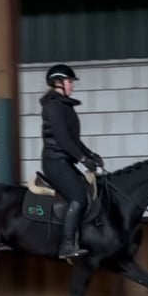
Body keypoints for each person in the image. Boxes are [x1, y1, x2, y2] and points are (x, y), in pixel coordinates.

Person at [39, 63, 105, 260]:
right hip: (55, 162)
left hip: (65, 161)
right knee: (79, 197)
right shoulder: (53, 106)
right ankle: (67, 245)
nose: (72, 85)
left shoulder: (63, 105)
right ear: (57, 83)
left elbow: (74, 140)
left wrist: (91, 155)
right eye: (69, 81)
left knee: (88, 190)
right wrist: (83, 159)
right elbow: (62, 139)